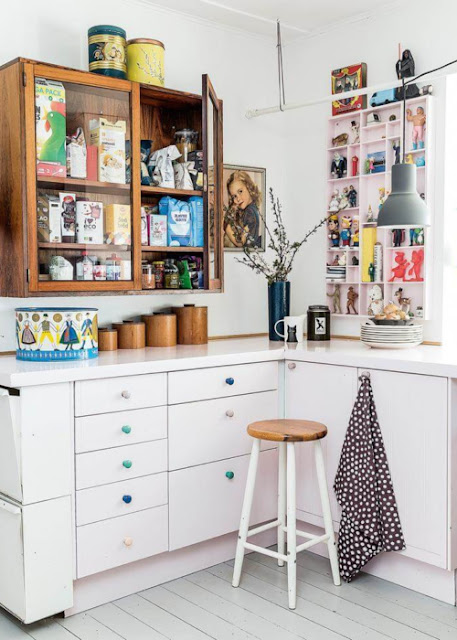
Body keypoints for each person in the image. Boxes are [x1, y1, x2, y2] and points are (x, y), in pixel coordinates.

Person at [225, 171, 262, 248]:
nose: (238, 198)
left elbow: (240, 242)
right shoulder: (249, 209)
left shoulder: (250, 212)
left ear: (249, 188)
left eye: (240, 191)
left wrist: (226, 227)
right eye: (234, 196)